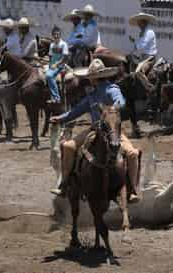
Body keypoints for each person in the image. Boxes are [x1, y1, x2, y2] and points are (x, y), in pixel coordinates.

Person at [49, 58, 141, 203]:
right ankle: (65, 184)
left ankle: (132, 190)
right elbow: (75, 111)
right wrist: (60, 118)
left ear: (94, 79)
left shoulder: (112, 90)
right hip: (94, 130)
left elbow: (121, 102)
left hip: (112, 131)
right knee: (132, 154)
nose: (90, 81)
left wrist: (112, 110)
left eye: (91, 78)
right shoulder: (91, 96)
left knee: (132, 153)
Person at [46, 26, 68, 104]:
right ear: (52, 35)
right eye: (54, 34)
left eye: (57, 34)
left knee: (49, 76)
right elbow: (50, 56)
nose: (56, 36)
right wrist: (49, 64)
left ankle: (56, 97)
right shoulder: (51, 45)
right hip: (52, 66)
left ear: (60, 35)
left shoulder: (63, 44)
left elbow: (65, 57)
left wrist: (56, 64)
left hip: (60, 66)